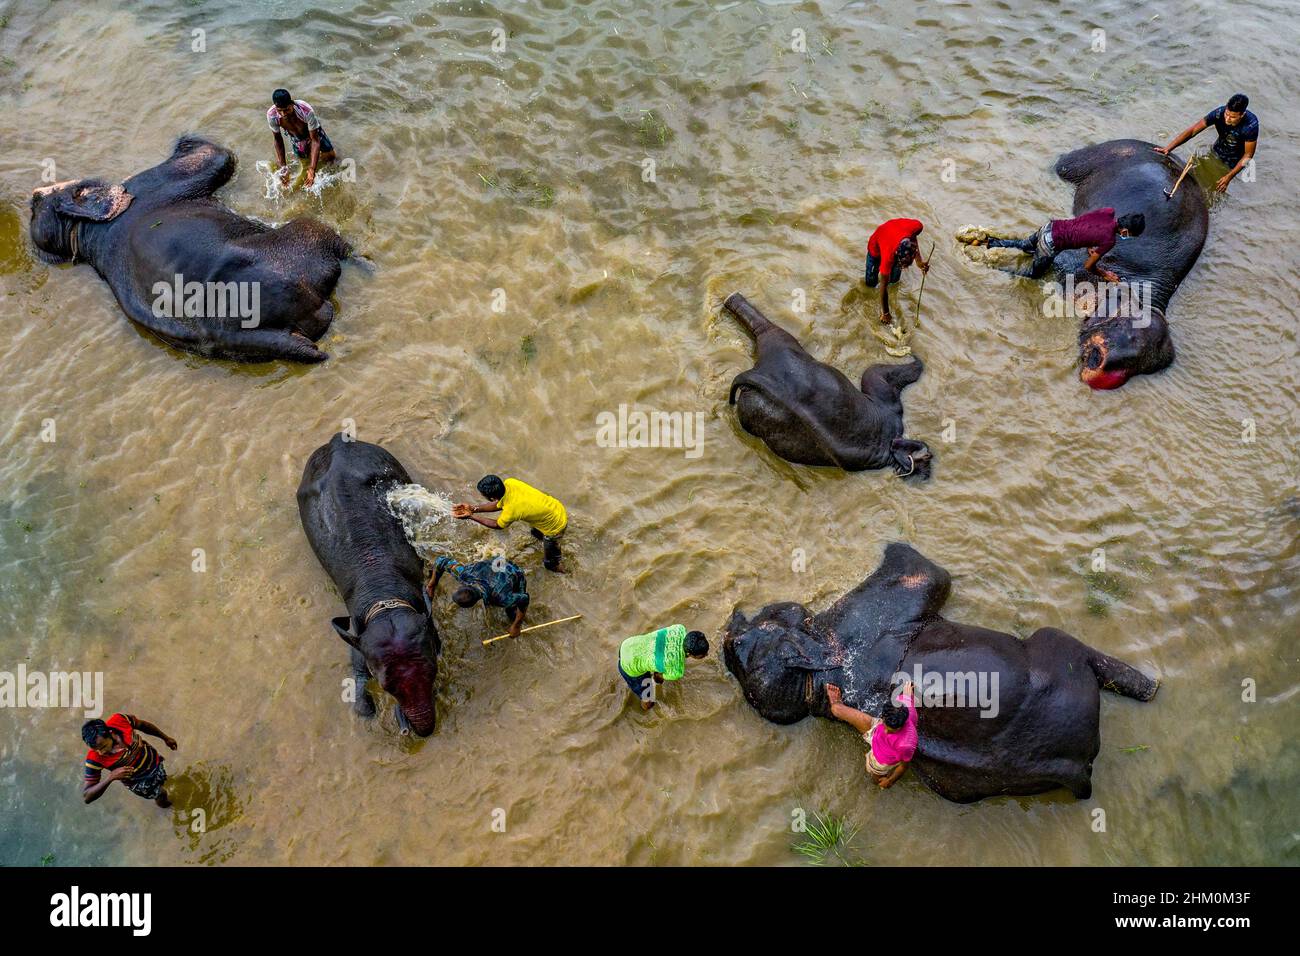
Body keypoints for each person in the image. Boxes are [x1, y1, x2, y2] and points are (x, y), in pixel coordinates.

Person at [968, 207, 1145, 282]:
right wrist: (1105, 274)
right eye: (1130, 235)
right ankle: (991, 266)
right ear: (1125, 232)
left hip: (1050, 227)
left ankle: (987, 242)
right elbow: (1088, 266)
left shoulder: (1108, 211)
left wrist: (1090, 245)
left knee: (1023, 245)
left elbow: (1086, 224)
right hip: (1050, 244)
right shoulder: (1109, 241)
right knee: (1033, 276)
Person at [454, 475, 568, 572]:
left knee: (549, 564)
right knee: (536, 534)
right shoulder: (510, 482)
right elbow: (500, 503)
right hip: (555, 508)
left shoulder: (512, 510)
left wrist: (471, 516)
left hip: (555, 527)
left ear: (492, 497)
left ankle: (566, 573)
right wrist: (473, 509)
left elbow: (497, 525)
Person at [1154, 93, 1258, 193]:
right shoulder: (1218, 113)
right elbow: (1193, 130)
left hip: (1234, 162)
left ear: (1242, 115)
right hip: (1218, 150)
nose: (1227, 119)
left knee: (1214, 189)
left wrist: (1229, 177)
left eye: (1233, 117)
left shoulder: (1250, 126)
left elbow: (1248, 154)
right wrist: (1168, 148)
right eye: (1227, 114)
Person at [824, 682, 917, 789]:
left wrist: (890, 781)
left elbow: (903, 766)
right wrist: (908, 693)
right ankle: (838, 702)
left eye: (892, 731)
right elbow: (908, 695)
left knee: (876, 779)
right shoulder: (902, 705)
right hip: (876, 730)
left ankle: (875, 782)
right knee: (836, 710)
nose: (886, 732)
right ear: (884, 716)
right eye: (886, 726)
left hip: (882, 759)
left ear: (902, 725)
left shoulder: (906, 745)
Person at [81, 713, 177, 809]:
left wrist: (165, 738)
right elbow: (87, 796)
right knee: (160, 794)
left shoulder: (119, 720)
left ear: (110, 733)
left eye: (103, 747)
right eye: (96, 750)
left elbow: (143, 725)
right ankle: (168, 808)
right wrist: (111, 777)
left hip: (155, 762)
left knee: (162, 779)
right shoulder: (94, 759)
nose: (101, 753)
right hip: (139, 782)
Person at [426, 553, 530, 638]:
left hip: (515, 572)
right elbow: (441, 561)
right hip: (497, 561)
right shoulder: (464, 574)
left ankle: (514, 619)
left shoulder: (502, 598)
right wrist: (432, 584)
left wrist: (517, 625)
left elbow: (524, 598)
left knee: (511, 612)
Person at [617, 625, 709, 711]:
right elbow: (658, 676)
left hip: (628, 645)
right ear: (689, 654)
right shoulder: (677, 671)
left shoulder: (679, 628)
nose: (706, 654)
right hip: (629, 666)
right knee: (648, 700)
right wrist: (657, 680)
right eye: (703, 654)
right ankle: (646, 713)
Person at [267, 88, 337, 189]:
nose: (283, 114)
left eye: (286, 109)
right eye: (280, 110)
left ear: (292, 104)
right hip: (296, 138)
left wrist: (312, 169)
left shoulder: (305, 110)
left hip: (312, 133)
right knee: (305, 162)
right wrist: (283, 168)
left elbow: (315, 141)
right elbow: (278, 140)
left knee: (331, 158)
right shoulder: (272, 115)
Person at [865, 218, 930, 325]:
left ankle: (893, 287)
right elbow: (883, 286)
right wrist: (886, 313)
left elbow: (913, 237)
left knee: (894, 281)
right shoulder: (888, 257)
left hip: (894, 234)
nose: (904, 268)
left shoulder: (917, 227)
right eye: (903, 264)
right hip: (876, 246)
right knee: (871, 283)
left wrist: (919, 262)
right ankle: (870, 293)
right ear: (896, 255)